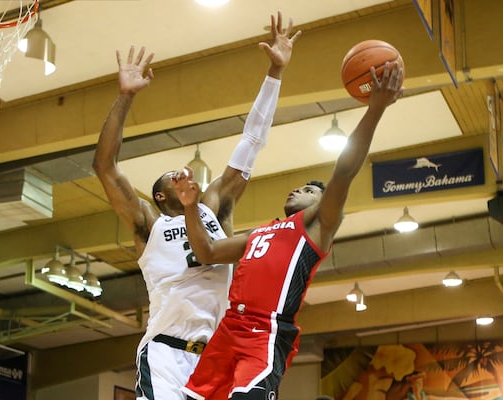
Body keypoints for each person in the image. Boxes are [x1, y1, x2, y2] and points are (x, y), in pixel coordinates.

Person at [92, 11, 301, 400]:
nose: (184, 174)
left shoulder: (214, 208)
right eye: (174, 175)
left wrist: (275, 72)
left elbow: (251, 143)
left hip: (215, 360)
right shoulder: (147, 223)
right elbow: (104, 166)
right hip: (165, 354)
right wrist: (124, 98)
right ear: (159, 195)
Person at [173, 62, 404, 400]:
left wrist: (375, 109)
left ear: (325, 203)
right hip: (228, 330)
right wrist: (190, 207)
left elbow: (344, 170)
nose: (298, 190)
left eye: (309, 190)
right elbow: (207, 252)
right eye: (298, 187)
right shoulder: (260, 233)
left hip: (264, 331)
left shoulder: (316, 226)